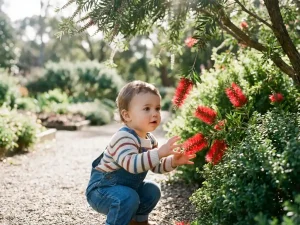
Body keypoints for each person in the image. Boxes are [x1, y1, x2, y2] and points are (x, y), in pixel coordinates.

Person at [85, 80, 196, 225]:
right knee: (128, 197)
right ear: (127, 115)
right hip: (102, 190)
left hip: (127, 190)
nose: (155, 113)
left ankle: (138, 221)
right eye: (147, 109)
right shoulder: (123, 137)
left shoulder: (150, 139)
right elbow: (132, 165)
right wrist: (160, 152)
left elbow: (156, 166)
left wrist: (173, 162)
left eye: (157, 108)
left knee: (152, 190)